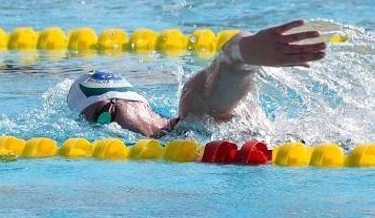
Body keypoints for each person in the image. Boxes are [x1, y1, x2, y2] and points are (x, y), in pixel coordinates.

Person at [66, 19, 326, 137]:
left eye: (107, 114)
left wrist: (249, 50)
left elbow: (229, 64)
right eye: (98, 126)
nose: (112, 129)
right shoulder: (179, 136)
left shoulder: (192, 106)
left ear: (139, 102)